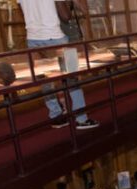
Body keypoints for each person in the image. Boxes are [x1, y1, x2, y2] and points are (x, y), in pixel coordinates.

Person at [17, 0, 98, 130]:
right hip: (55, 36)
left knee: (45, 80)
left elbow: (22, 11)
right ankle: (81, 118)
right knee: (72, 77)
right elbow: (65, 17)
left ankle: (56, 116)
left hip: (32, 38)